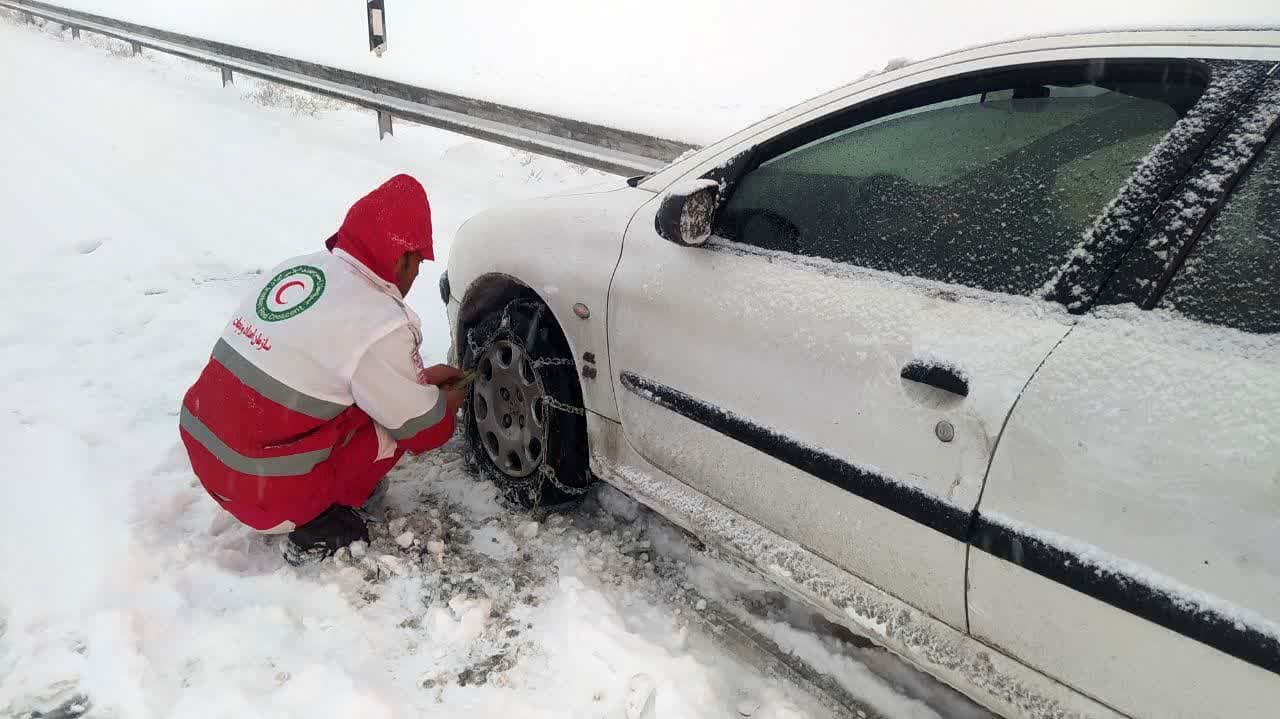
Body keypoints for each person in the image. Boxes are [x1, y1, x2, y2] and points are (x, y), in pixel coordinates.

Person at [179, 174, 464, 564]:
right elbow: (423, 430)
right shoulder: (381, 320)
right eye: (417, 264)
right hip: (259, 490)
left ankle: (291, 496)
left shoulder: (298, 269)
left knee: (372, 406)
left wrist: (422, 380)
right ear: (402, 257)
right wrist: (448, 402)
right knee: (388, 430)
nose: (415, 276)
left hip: (209, 455)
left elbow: (332, 369)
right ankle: (316, 519)